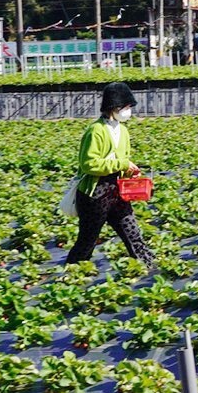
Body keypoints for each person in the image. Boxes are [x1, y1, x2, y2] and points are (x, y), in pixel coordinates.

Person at [65, 82, 154, 267]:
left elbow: (124, 160)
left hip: (117, 191)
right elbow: (89, 164)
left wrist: (130, 173)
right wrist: (122, 163)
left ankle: (149, 266)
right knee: (87, 239)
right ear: (114, 107)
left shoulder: (123, 131)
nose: (129, 111)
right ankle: (73, 271)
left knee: (132, 231)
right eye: (126, 107)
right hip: (95, 194)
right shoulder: (95, 131)